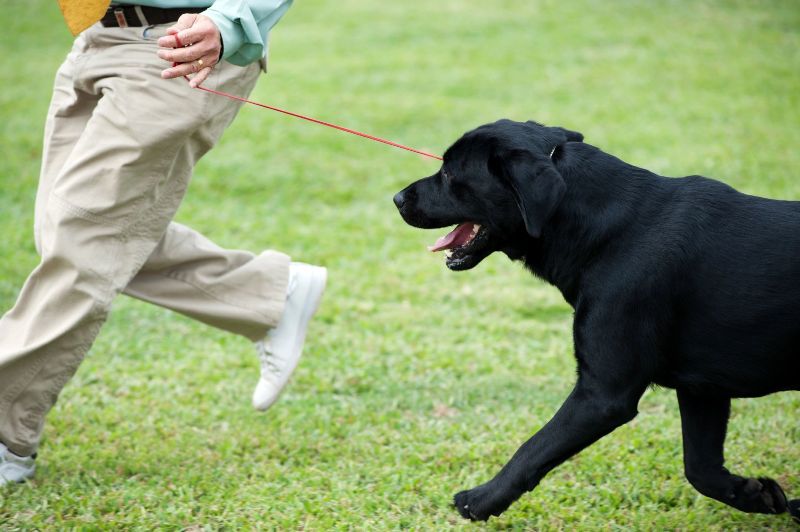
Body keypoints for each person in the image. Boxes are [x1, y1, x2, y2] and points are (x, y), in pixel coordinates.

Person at [0, 0, 326, 486]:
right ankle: (265, 294)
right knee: (72, 232)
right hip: (98, 34)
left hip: (182, 45)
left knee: (85, 237)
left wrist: (229, 20)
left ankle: (6, 435)